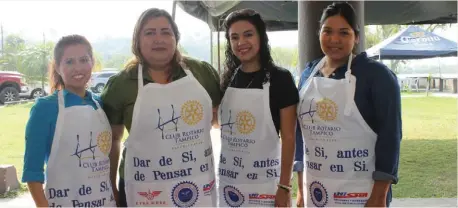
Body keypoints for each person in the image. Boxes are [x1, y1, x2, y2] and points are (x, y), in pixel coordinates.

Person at [100, 8, 222, 207]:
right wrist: (109, 185)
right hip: (142, 186)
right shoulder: (121, 84)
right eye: (150, 33)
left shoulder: (201, 73)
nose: (159, 39)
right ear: (137, 41)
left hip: (196, 182)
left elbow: (218, 117)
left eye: (166, 32)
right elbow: (113, 140)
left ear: (176, 38)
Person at [296, 2, 402, 207]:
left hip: (362, 194)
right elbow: (300, 134)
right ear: (319, 33)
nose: (334, 39)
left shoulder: (377, 76)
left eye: (344, 33)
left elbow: (391, 136)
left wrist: (379, 197)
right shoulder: (308, 74)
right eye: (327, 31)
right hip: (316, 191)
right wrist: (300, 189)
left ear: (356, 37)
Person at [22, 34, 116, 207]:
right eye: (69, 62)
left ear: (92, 62)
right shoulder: (44, 108)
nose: (78, 68)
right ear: (57, 67)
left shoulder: (100, 103)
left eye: (83, 60)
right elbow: (32, 172)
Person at [217, 9, 299, 208]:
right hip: (230, 184)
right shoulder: (228, 78)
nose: (240, 43)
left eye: (248, 35)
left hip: (266, 186)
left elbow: (289, 138)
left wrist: (285, 187)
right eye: (234, 37)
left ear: (261, 37)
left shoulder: (281, 79)